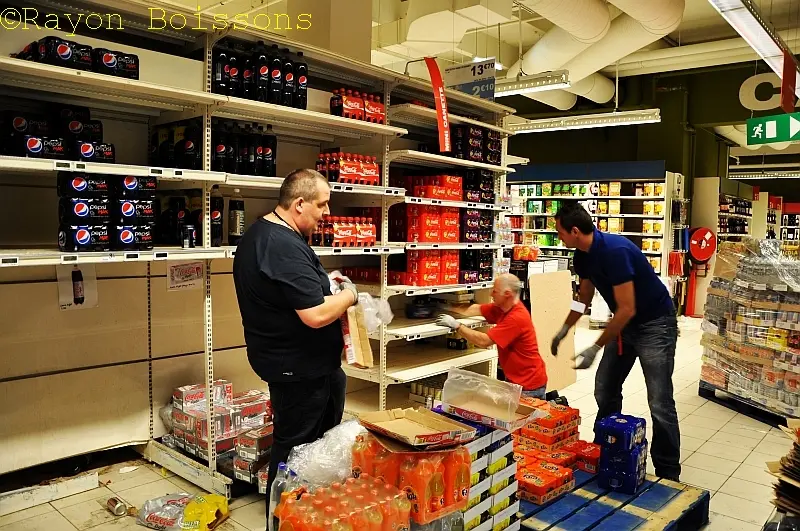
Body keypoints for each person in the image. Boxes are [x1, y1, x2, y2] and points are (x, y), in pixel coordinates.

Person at [232, 169, 357, 515]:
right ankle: (284, 517)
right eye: (323, 204)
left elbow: (291, 292)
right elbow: (315, 315)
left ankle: (310, 512)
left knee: (316, 444)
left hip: (311, 366)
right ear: (299, 204)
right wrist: (349, 296)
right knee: (295, 448)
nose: (327, 213)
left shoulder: (266, 233)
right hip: (298, 370)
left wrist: (325, 283)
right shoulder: (281, 245)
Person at [550, 202, 680, 481]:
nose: (557, 236)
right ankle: (604, 449)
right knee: (605, 389)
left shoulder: (615, 252)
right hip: (626, 326)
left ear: (574, 231)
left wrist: (594, 347)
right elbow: (583, 299)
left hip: (655, 325)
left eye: (559, 231)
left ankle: (669, 472)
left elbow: (626, 309)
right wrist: (564, 328)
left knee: (659, 401)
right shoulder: (582, 256)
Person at [436, 273, 547, 398]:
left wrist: (457, 325)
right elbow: (475, 309)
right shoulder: (502, 308)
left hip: (529, 387)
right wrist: (445, 306)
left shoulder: (516, 318)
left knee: (522, 417)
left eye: (495, 291)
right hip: (519, 381)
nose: (491, 294)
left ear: (507, 294)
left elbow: (484, 341)